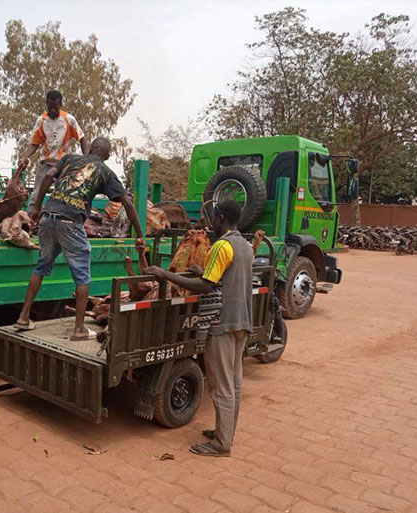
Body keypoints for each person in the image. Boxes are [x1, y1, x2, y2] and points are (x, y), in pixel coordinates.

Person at [145, 200, 253, 457]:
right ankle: (223, 432)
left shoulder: (221, 246)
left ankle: (221, 444)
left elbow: (205, 287)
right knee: (234, 383)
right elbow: (227, 275)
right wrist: (202, 270)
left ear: (222, 218)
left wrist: (166, 275)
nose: (209, 223)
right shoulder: (245, 246)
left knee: (221, 386)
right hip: (242, 321)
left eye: (213, 218)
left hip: (221, 322)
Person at [14, 137, 145, 341]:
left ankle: (23, 317)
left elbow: (48, 175)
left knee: (41, 267)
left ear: (90, 149)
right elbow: (127, 203)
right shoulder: (106, 172)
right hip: (71, 223)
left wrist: (38, 207)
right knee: (82, 276)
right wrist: (140, 234)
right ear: (108, 156)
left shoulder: (69, 158)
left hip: (48, 217)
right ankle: (79, 329)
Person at [18, 90, 89, 212]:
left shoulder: (69, 119)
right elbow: (34, 144)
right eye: (49, 107)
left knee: (64, 196)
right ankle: (30, 221)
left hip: (64, 165)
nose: (52, 110)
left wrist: (88, 160)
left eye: (55, 107)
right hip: (45, 164)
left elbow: (82, 139)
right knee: (36, 195)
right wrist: (24, 157)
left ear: (60, 105)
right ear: (46, 104)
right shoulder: (41, 121)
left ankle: (61, 222)